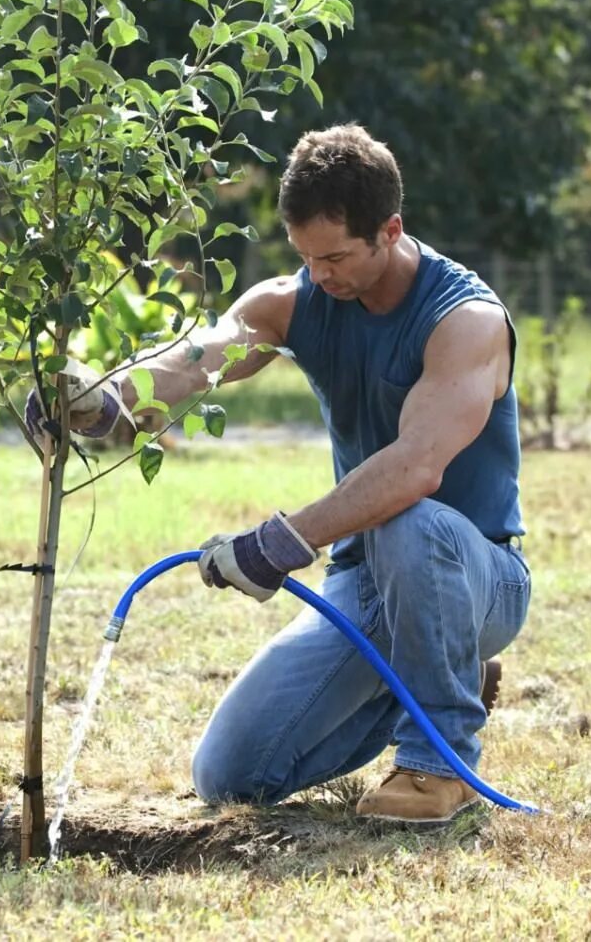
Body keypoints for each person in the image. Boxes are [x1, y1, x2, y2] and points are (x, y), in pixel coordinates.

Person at [27, 124, 529, 824]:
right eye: (305, 257)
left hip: (476, 576)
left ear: (390, 229)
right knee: (230, 773)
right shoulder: (295, 300)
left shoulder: (465, 320)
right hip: (365, 578)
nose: (319, 275)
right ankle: (438, 676)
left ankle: (437, 761)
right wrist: (101, 400)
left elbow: (415, 467)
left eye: (335, 257)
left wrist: (281, 542)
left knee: (411, 520)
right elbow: (200, 356)